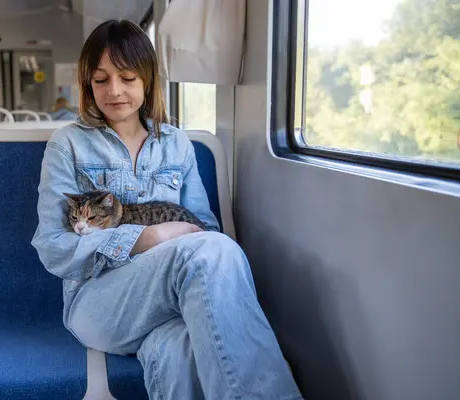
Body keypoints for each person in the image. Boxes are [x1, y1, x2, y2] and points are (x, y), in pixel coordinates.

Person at [31, 19, 303, 400]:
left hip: (171, 295)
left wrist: (179, 251)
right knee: (213, 253)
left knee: (179, 351)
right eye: (101, 79)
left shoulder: (176, 143)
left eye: (127, 77)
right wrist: (145, 237)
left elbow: (204, 229)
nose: (114, 91)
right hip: (98, 301)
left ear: (147, 79)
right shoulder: (68, 145)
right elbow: (53, 247)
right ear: (88, 84)